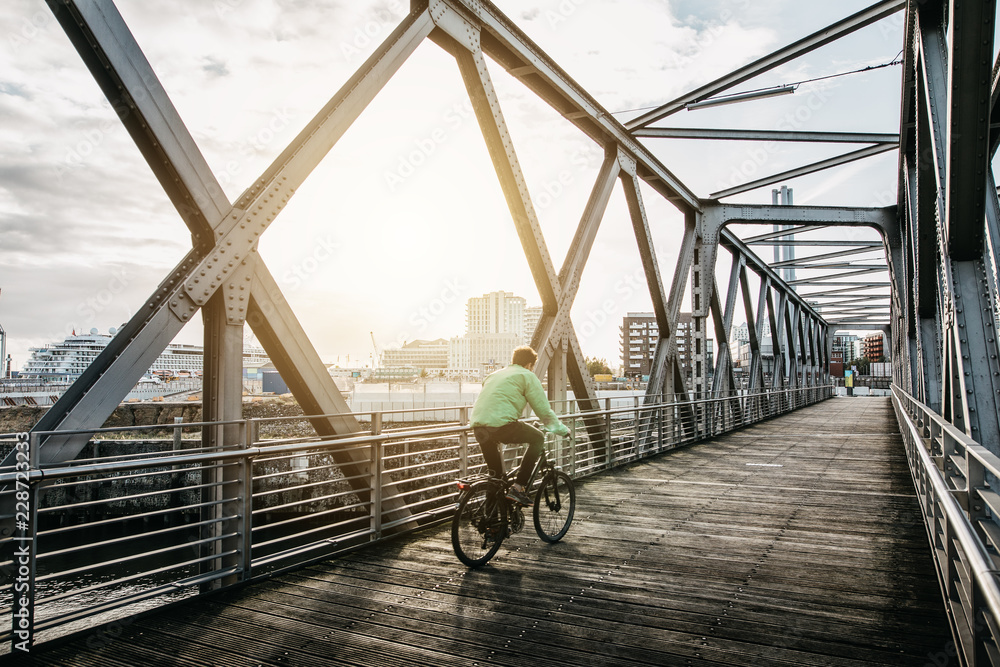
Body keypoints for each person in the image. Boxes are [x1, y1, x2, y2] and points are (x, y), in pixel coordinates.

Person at [471, 345, 570, 505]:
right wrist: (562, 430)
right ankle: (518, 487)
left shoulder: (494, 375)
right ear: (529, 364)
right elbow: (544, 411)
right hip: (502, 426)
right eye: (532, 366)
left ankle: (491, 518)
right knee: (538, 438)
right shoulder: (527, 375)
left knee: (496, 478)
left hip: (479, 427)